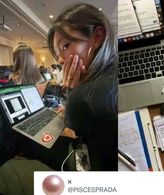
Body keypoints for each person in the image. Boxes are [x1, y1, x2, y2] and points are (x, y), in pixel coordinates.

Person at [47, 3, 117, 171]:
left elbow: (71, 124)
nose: (61, 60)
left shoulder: (82, 99)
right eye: (57, 56)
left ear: (97, 37)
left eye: (65, 46)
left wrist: (72, 90)